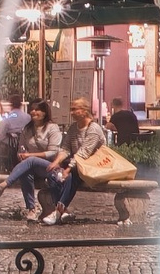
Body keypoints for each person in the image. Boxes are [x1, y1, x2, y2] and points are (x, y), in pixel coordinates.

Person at [37, 97, 108, 227]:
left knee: (70, 175)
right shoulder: (73, 128)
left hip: (91, 167)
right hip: (76, 165)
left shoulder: (94, 129)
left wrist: (68, 169)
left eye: (74, 109)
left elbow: (84, 152)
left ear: (84, 110)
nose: (72, 112)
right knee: (54, 174)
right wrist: (56, 162)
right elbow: (65, 148)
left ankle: (55, 211)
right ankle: (63, 210)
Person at [2, 100, 67, 219]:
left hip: (51, 166)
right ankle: (31, 208)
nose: (33, 112)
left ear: (44, 112)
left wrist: (30, 155)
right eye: (31, 109)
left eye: (37, 109)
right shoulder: (27, 129)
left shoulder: (52, 128)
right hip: (32, 167)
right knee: (26, 170)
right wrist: (22, 154)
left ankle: (4, 184)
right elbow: (21, 149)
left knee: (30, 160)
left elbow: (53, 152)